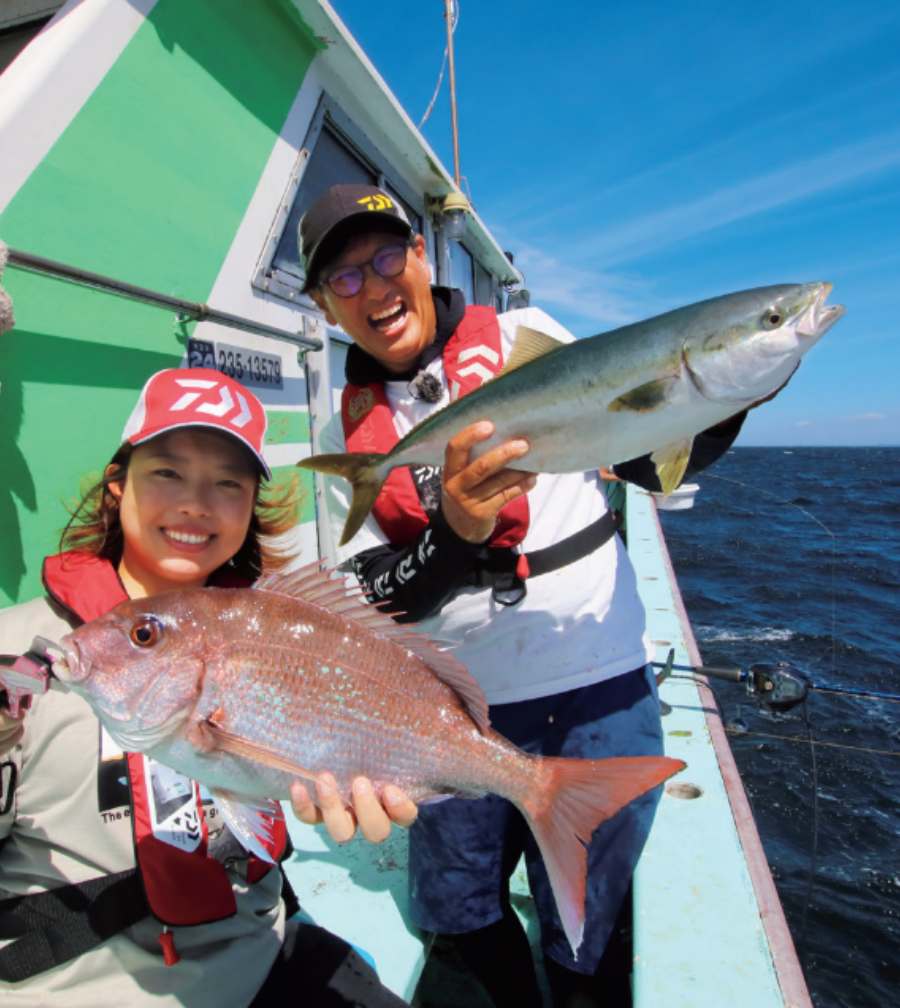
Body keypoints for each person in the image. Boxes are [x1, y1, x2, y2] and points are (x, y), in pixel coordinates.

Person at [298, 185, 756, 1008]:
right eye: (342, 278)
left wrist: (727, 389)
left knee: (591, 924)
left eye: (386, 257)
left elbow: (647, 461)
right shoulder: (344, 433)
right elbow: (375, 595)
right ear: (325, 307)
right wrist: (457, 533)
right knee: (459, 912)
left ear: (423, 256)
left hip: (598, 685)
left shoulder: (523, 341)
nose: (372, 287)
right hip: (447, 713)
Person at [0, 367, 416, 1008]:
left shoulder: (275, 639)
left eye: (229, 483)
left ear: (250, 509)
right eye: (167, 472)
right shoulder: (20, 656)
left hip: (260, 967)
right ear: (116, 487)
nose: (196, 503)